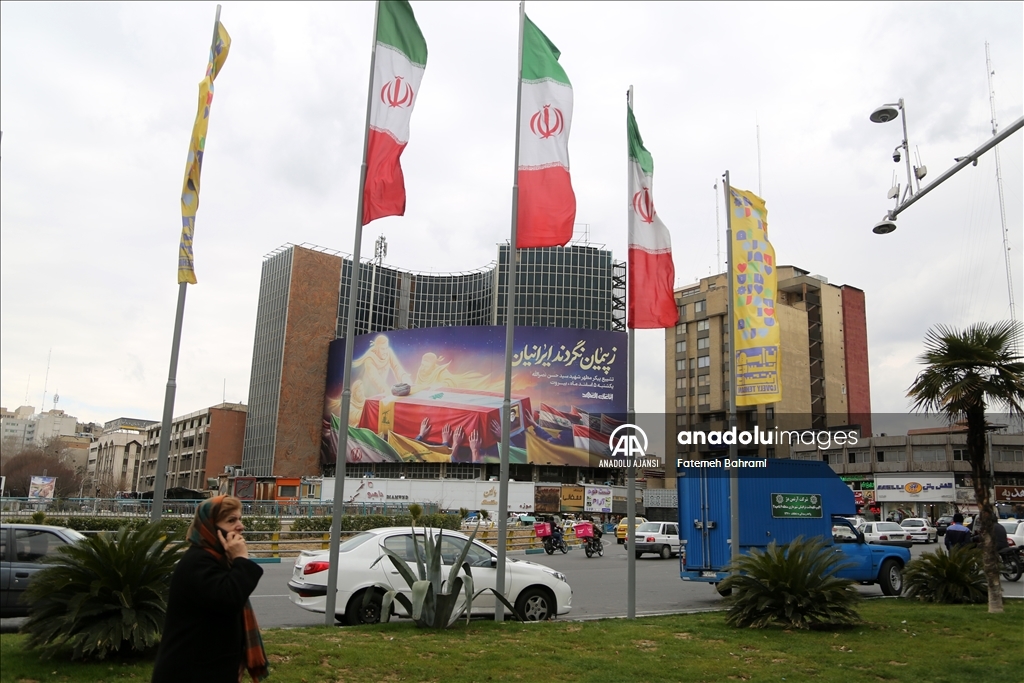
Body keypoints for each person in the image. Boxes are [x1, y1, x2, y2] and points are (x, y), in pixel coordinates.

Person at [152, 496, 268, 683]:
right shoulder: (198, 562)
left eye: (240, 519)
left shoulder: (219, 561)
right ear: (210, 527)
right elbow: (229, 598)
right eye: (231, 520)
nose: (240, 526)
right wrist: (241, 560)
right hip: (189, 672)